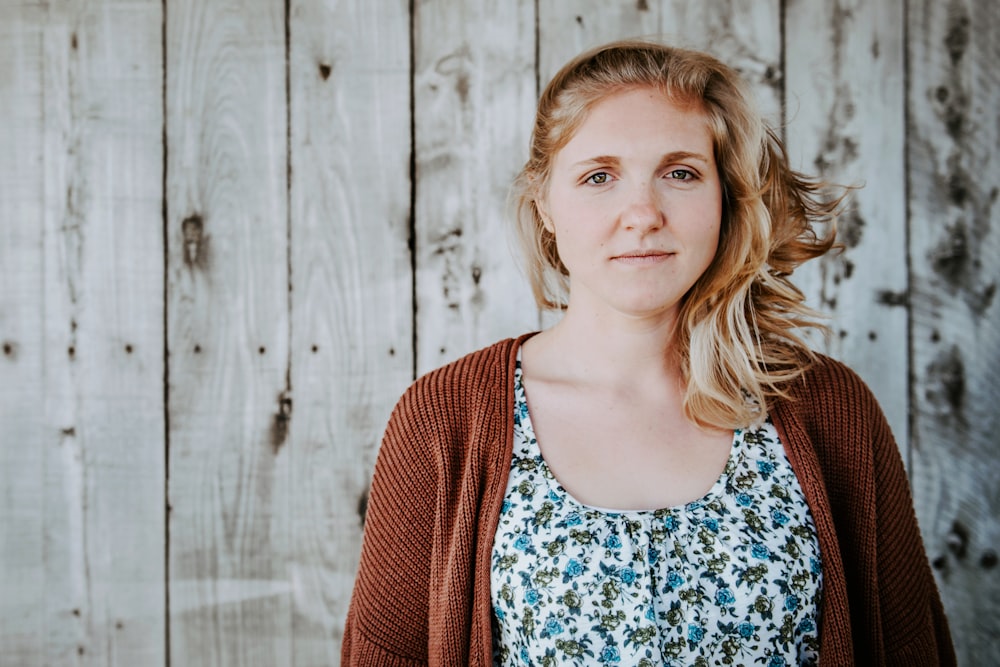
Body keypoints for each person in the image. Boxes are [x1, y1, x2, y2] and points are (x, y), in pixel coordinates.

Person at [341, 40, 954, 666]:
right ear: (546, 204)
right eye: (599, 176)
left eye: (681, 173)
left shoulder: (828, 410)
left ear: (726, 197)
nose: (642, 214)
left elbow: (910, 649)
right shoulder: (445, 421)